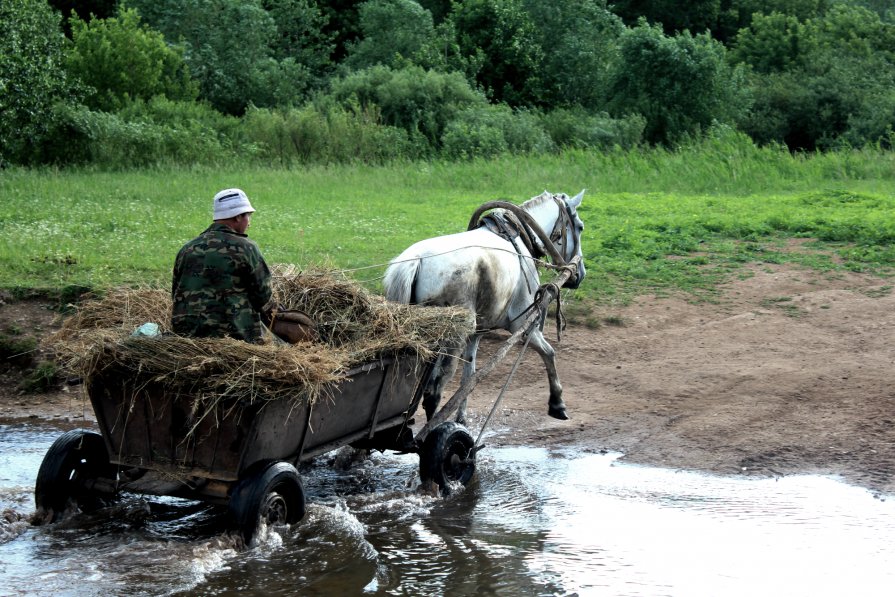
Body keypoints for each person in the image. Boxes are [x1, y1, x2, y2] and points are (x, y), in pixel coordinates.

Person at [171, 188, 274, 343]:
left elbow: (176, 293)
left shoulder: (187, 249)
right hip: (234, 336)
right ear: (238, 217)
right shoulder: (246, 248)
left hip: (187, 336)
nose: (249, 223)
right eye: (248, 216)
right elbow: (263, 297)